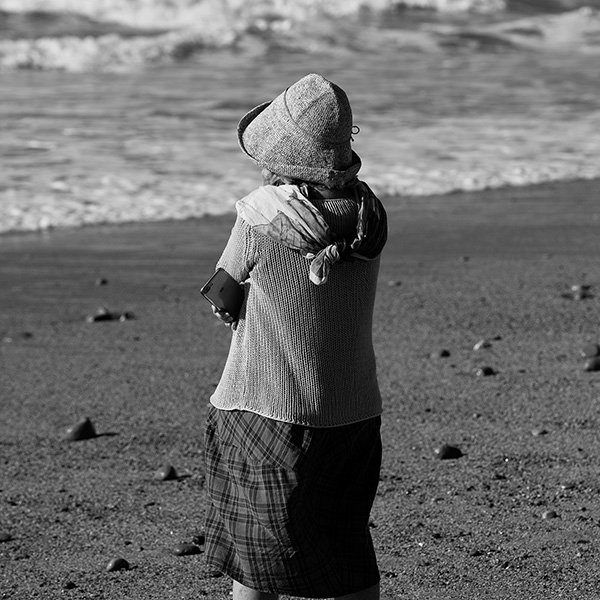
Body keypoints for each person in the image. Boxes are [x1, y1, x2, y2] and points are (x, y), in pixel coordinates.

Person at [204, 73, 388, 600]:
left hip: (268, 405)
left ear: (278, 162)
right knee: (345, 548)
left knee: (258, 560)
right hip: (353, 409)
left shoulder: (262, 217)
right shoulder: (369, 216)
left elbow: (223, 292)